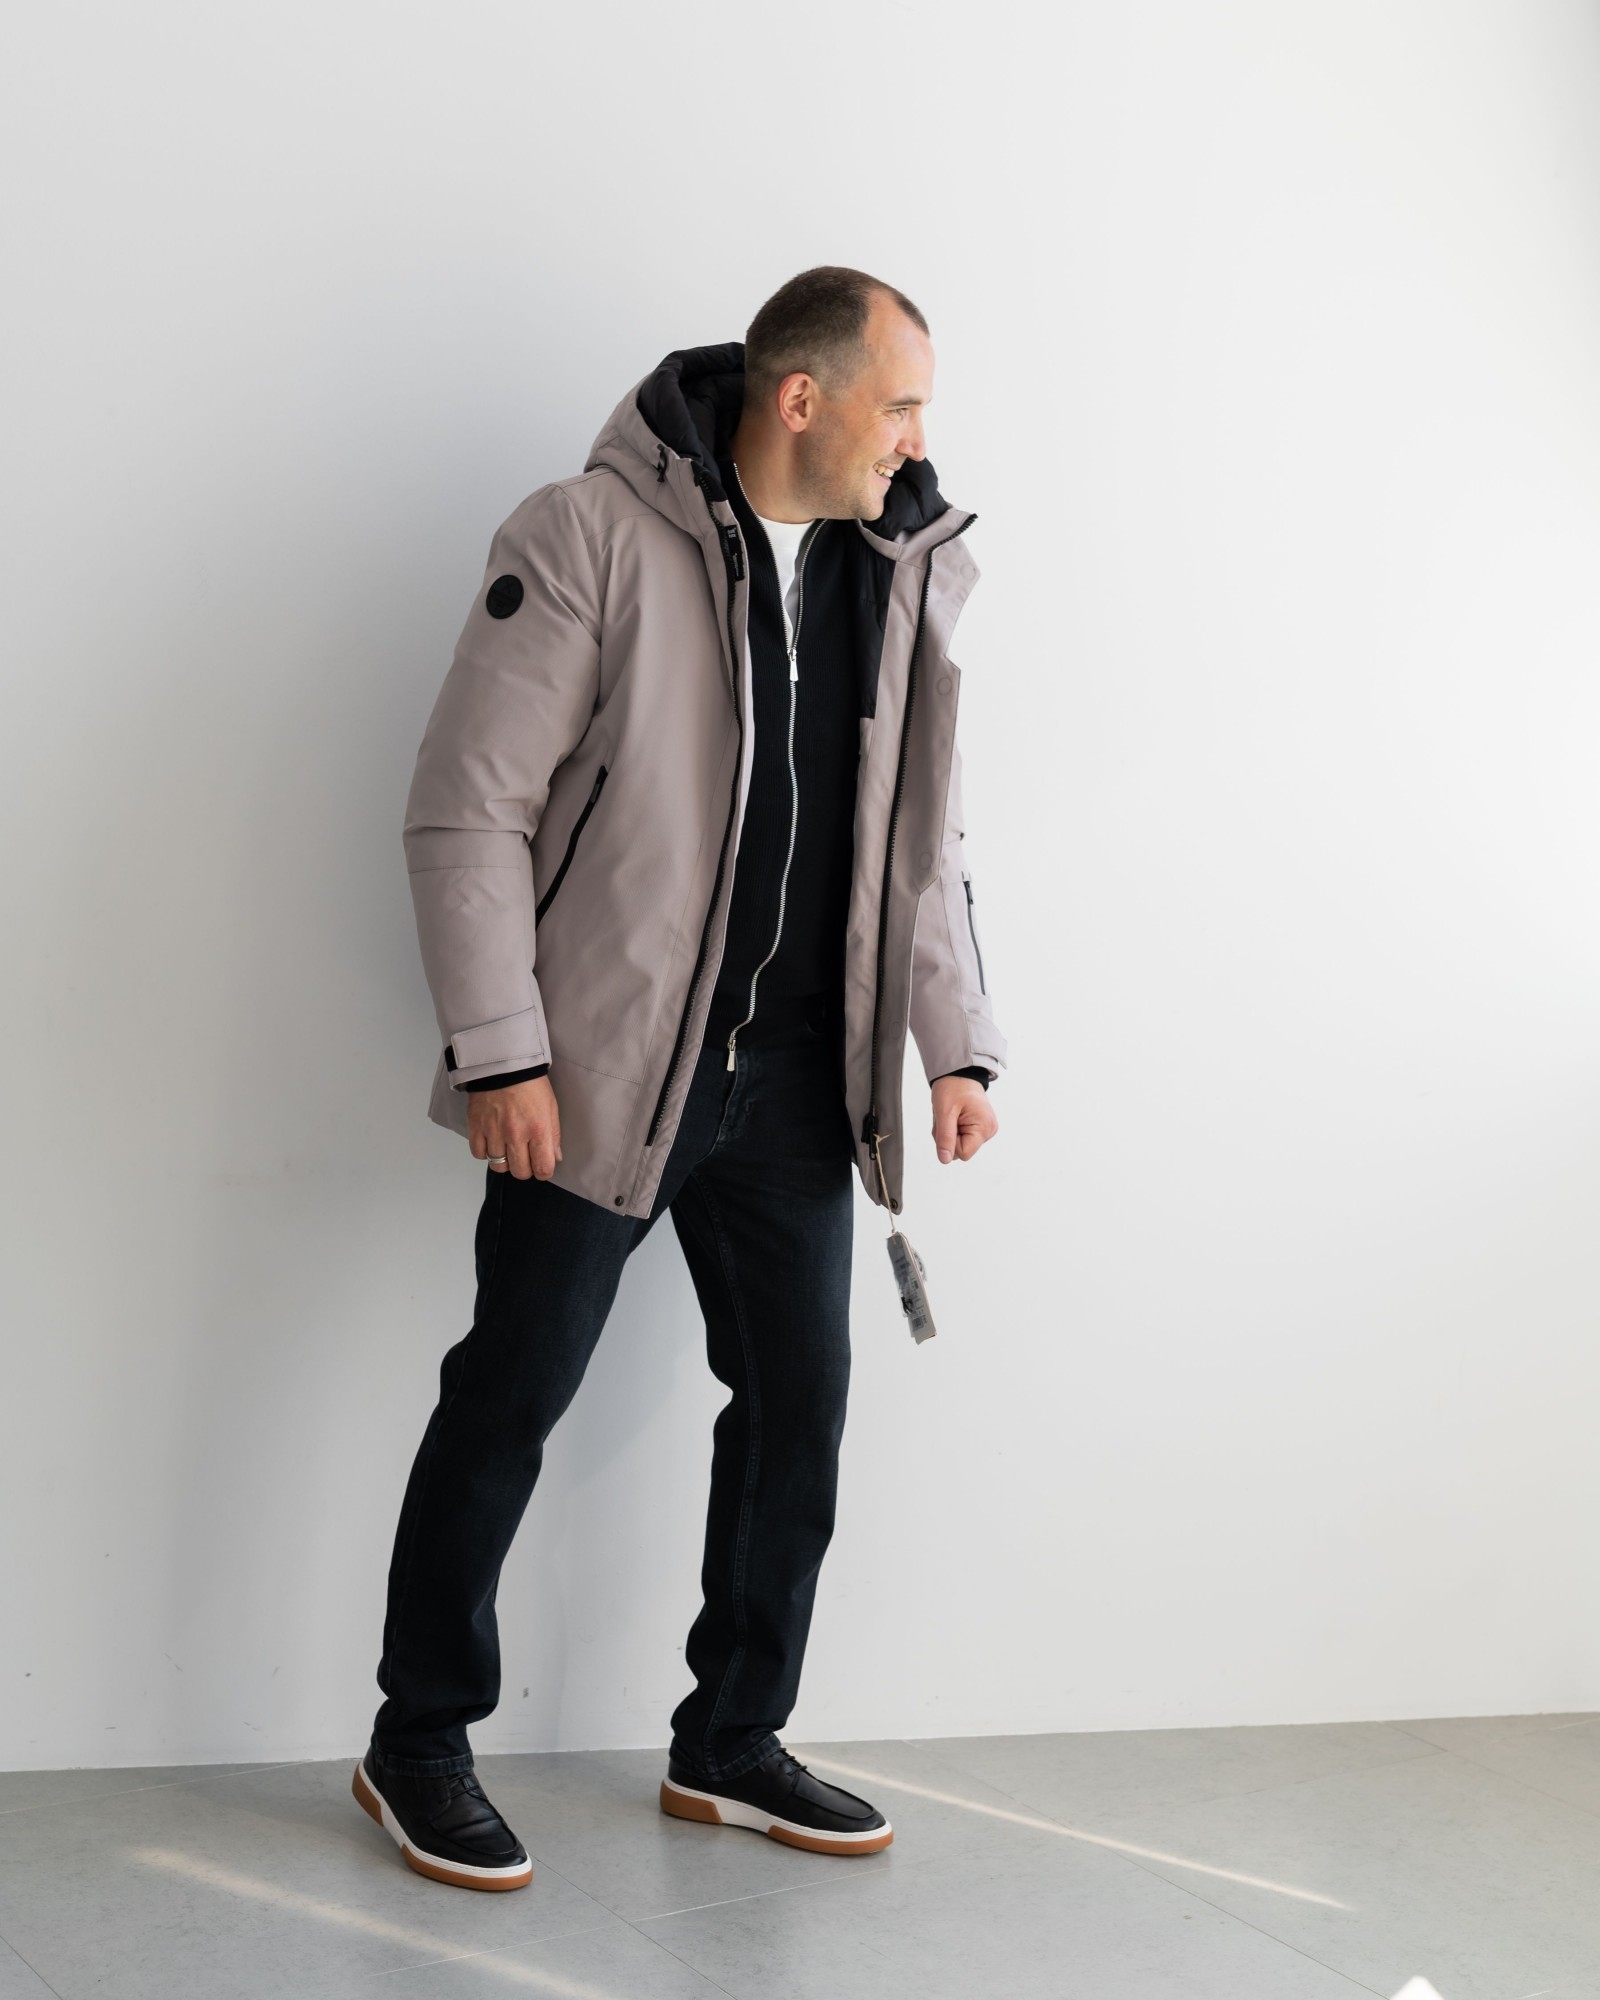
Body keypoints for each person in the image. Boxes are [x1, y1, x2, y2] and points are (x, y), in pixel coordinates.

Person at [352, 267, 1008, 1891]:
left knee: (799, 1409)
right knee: (512, 1393)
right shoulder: (589, 536)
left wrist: (956, 1040)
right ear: (804, 398)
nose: (918, 438)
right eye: (902, 403)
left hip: (795, 1083)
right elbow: (467, 808)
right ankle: (416, 1742)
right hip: (602, 1072)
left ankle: (730, 1740)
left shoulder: (896, 570)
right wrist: (503, 1049)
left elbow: (918, 841)